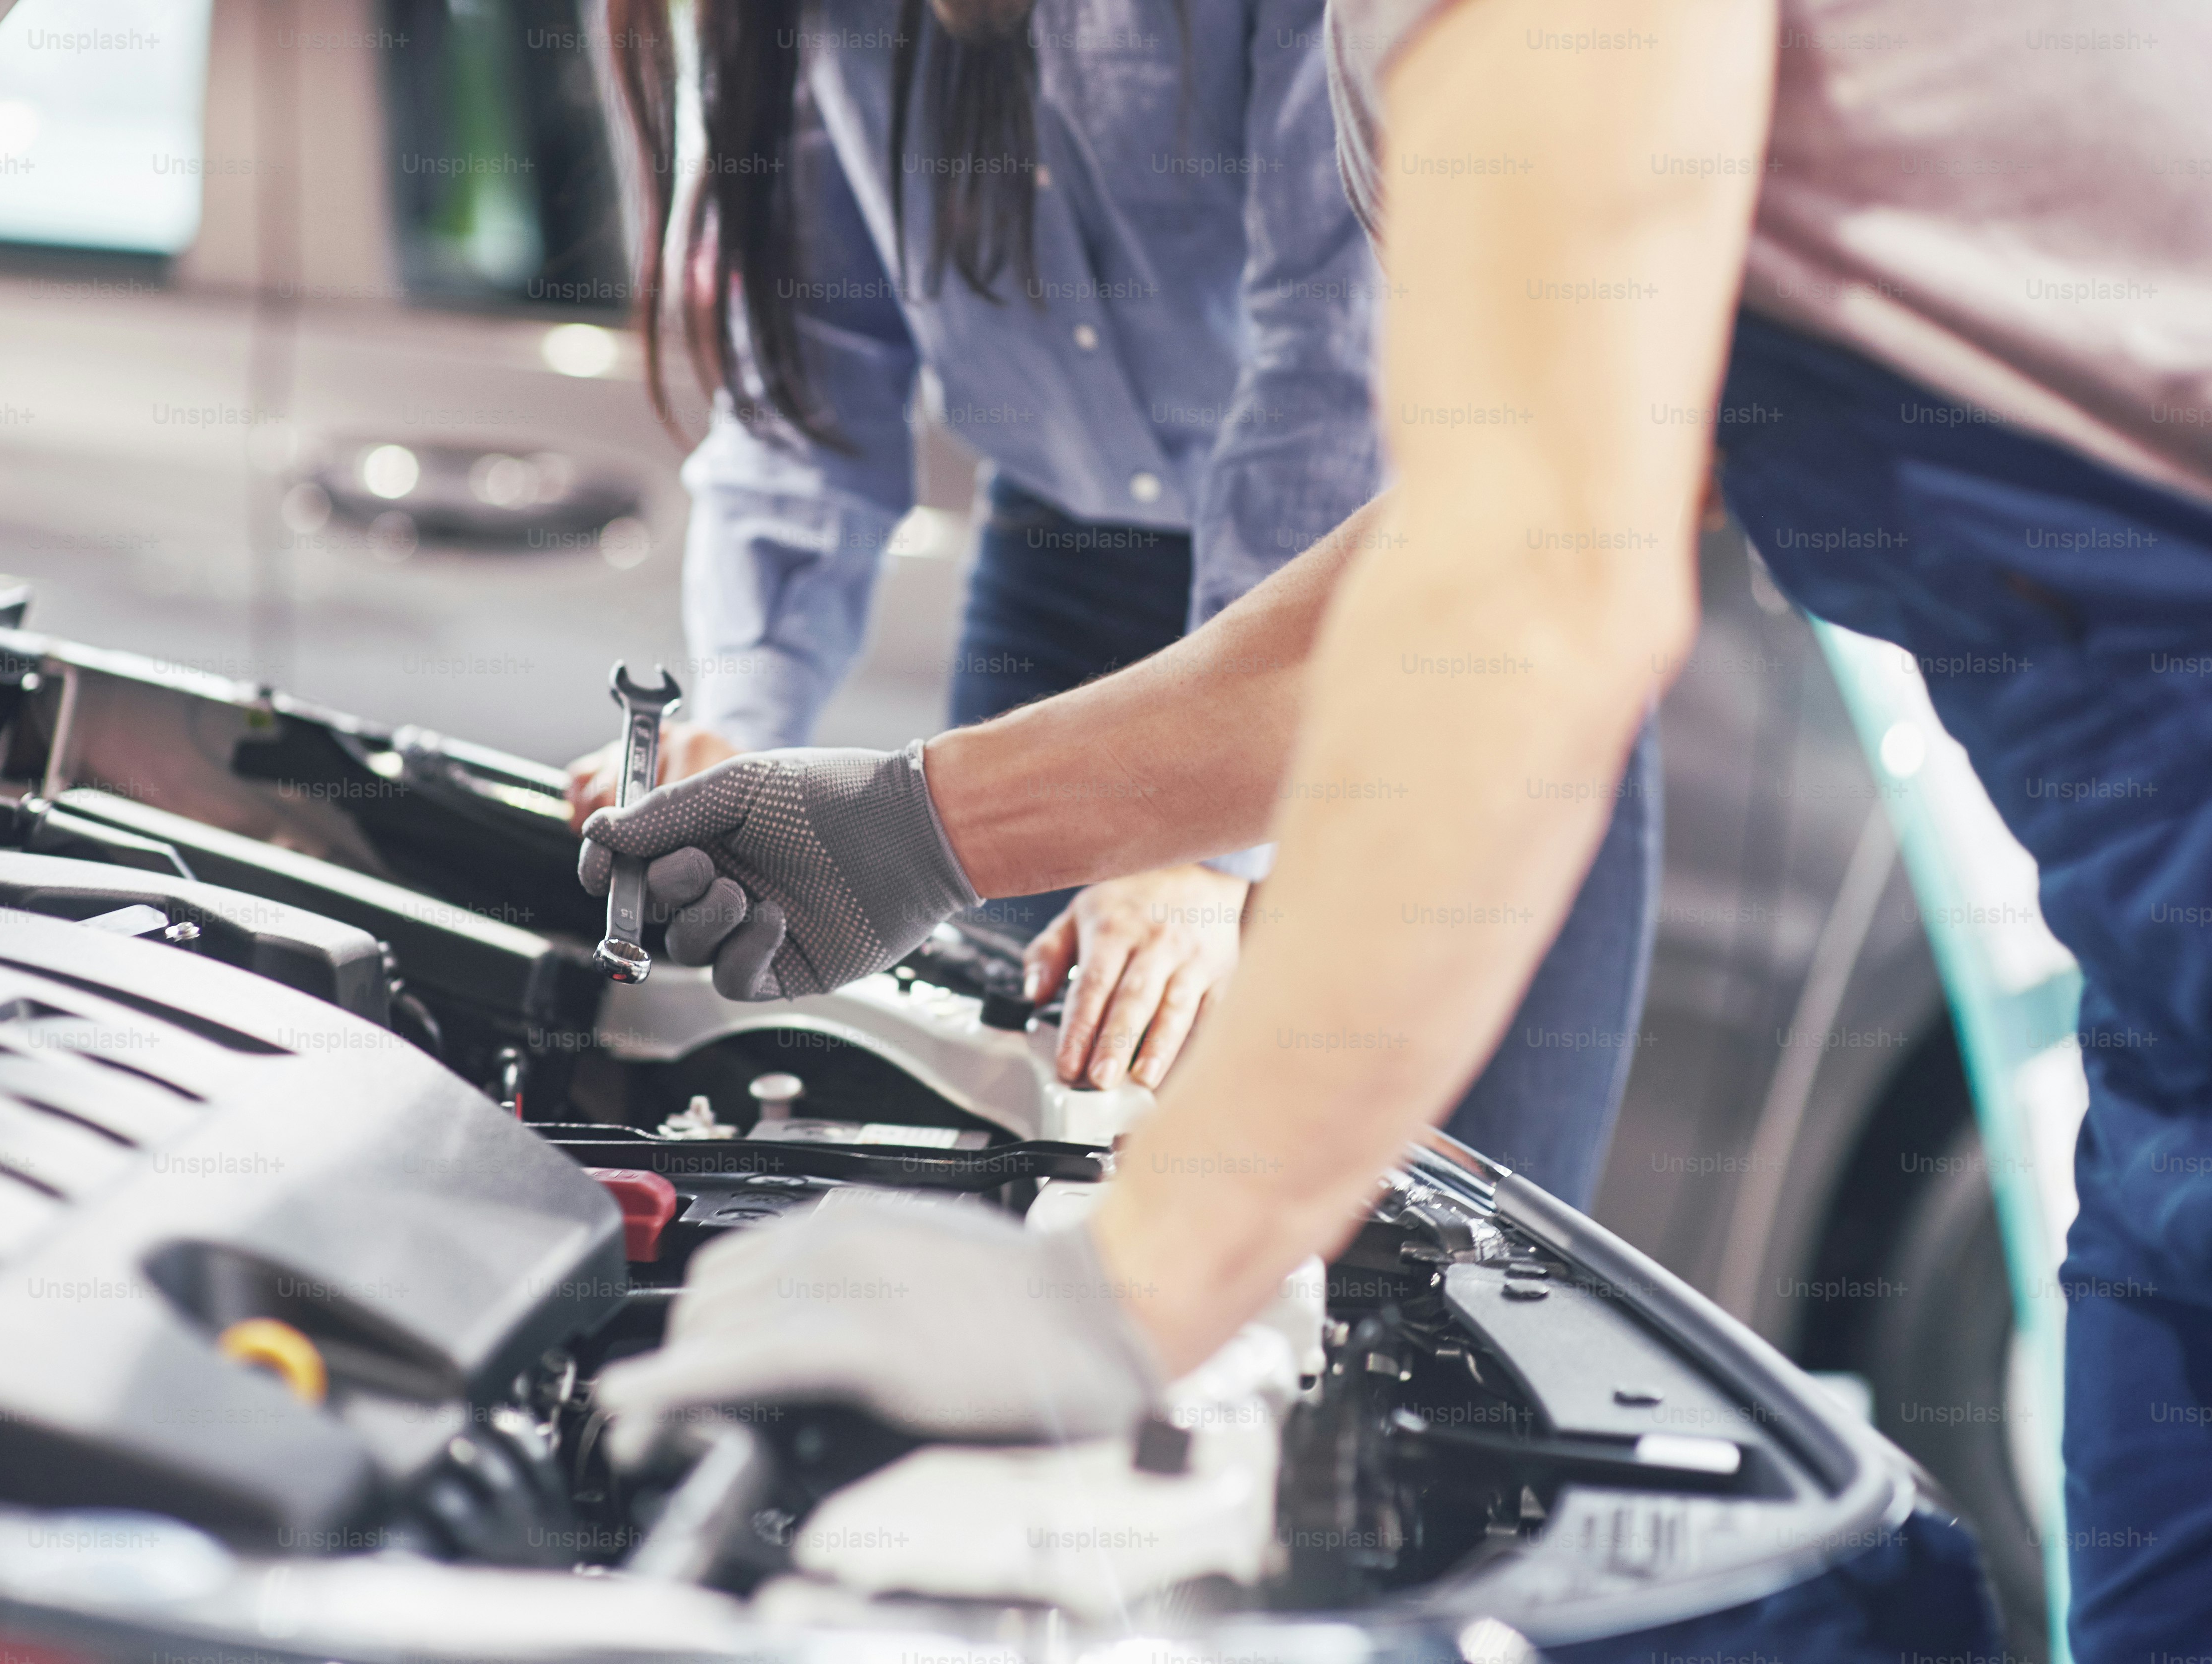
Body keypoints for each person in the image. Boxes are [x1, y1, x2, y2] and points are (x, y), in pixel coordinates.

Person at [585, 0, 2212, 1649]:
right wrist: (923, 826)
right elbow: (1464, 533)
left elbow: (1533, 593)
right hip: (2166, 1021)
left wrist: (1122, 1291)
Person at [564, 0, 1656, 1175]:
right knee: (1054, 1161)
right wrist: (741, 719)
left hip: (1414, 608)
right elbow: (814, 382)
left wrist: (1199, 844)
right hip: (1066, 578)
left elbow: (1327, 374)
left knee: (1460, 1237)